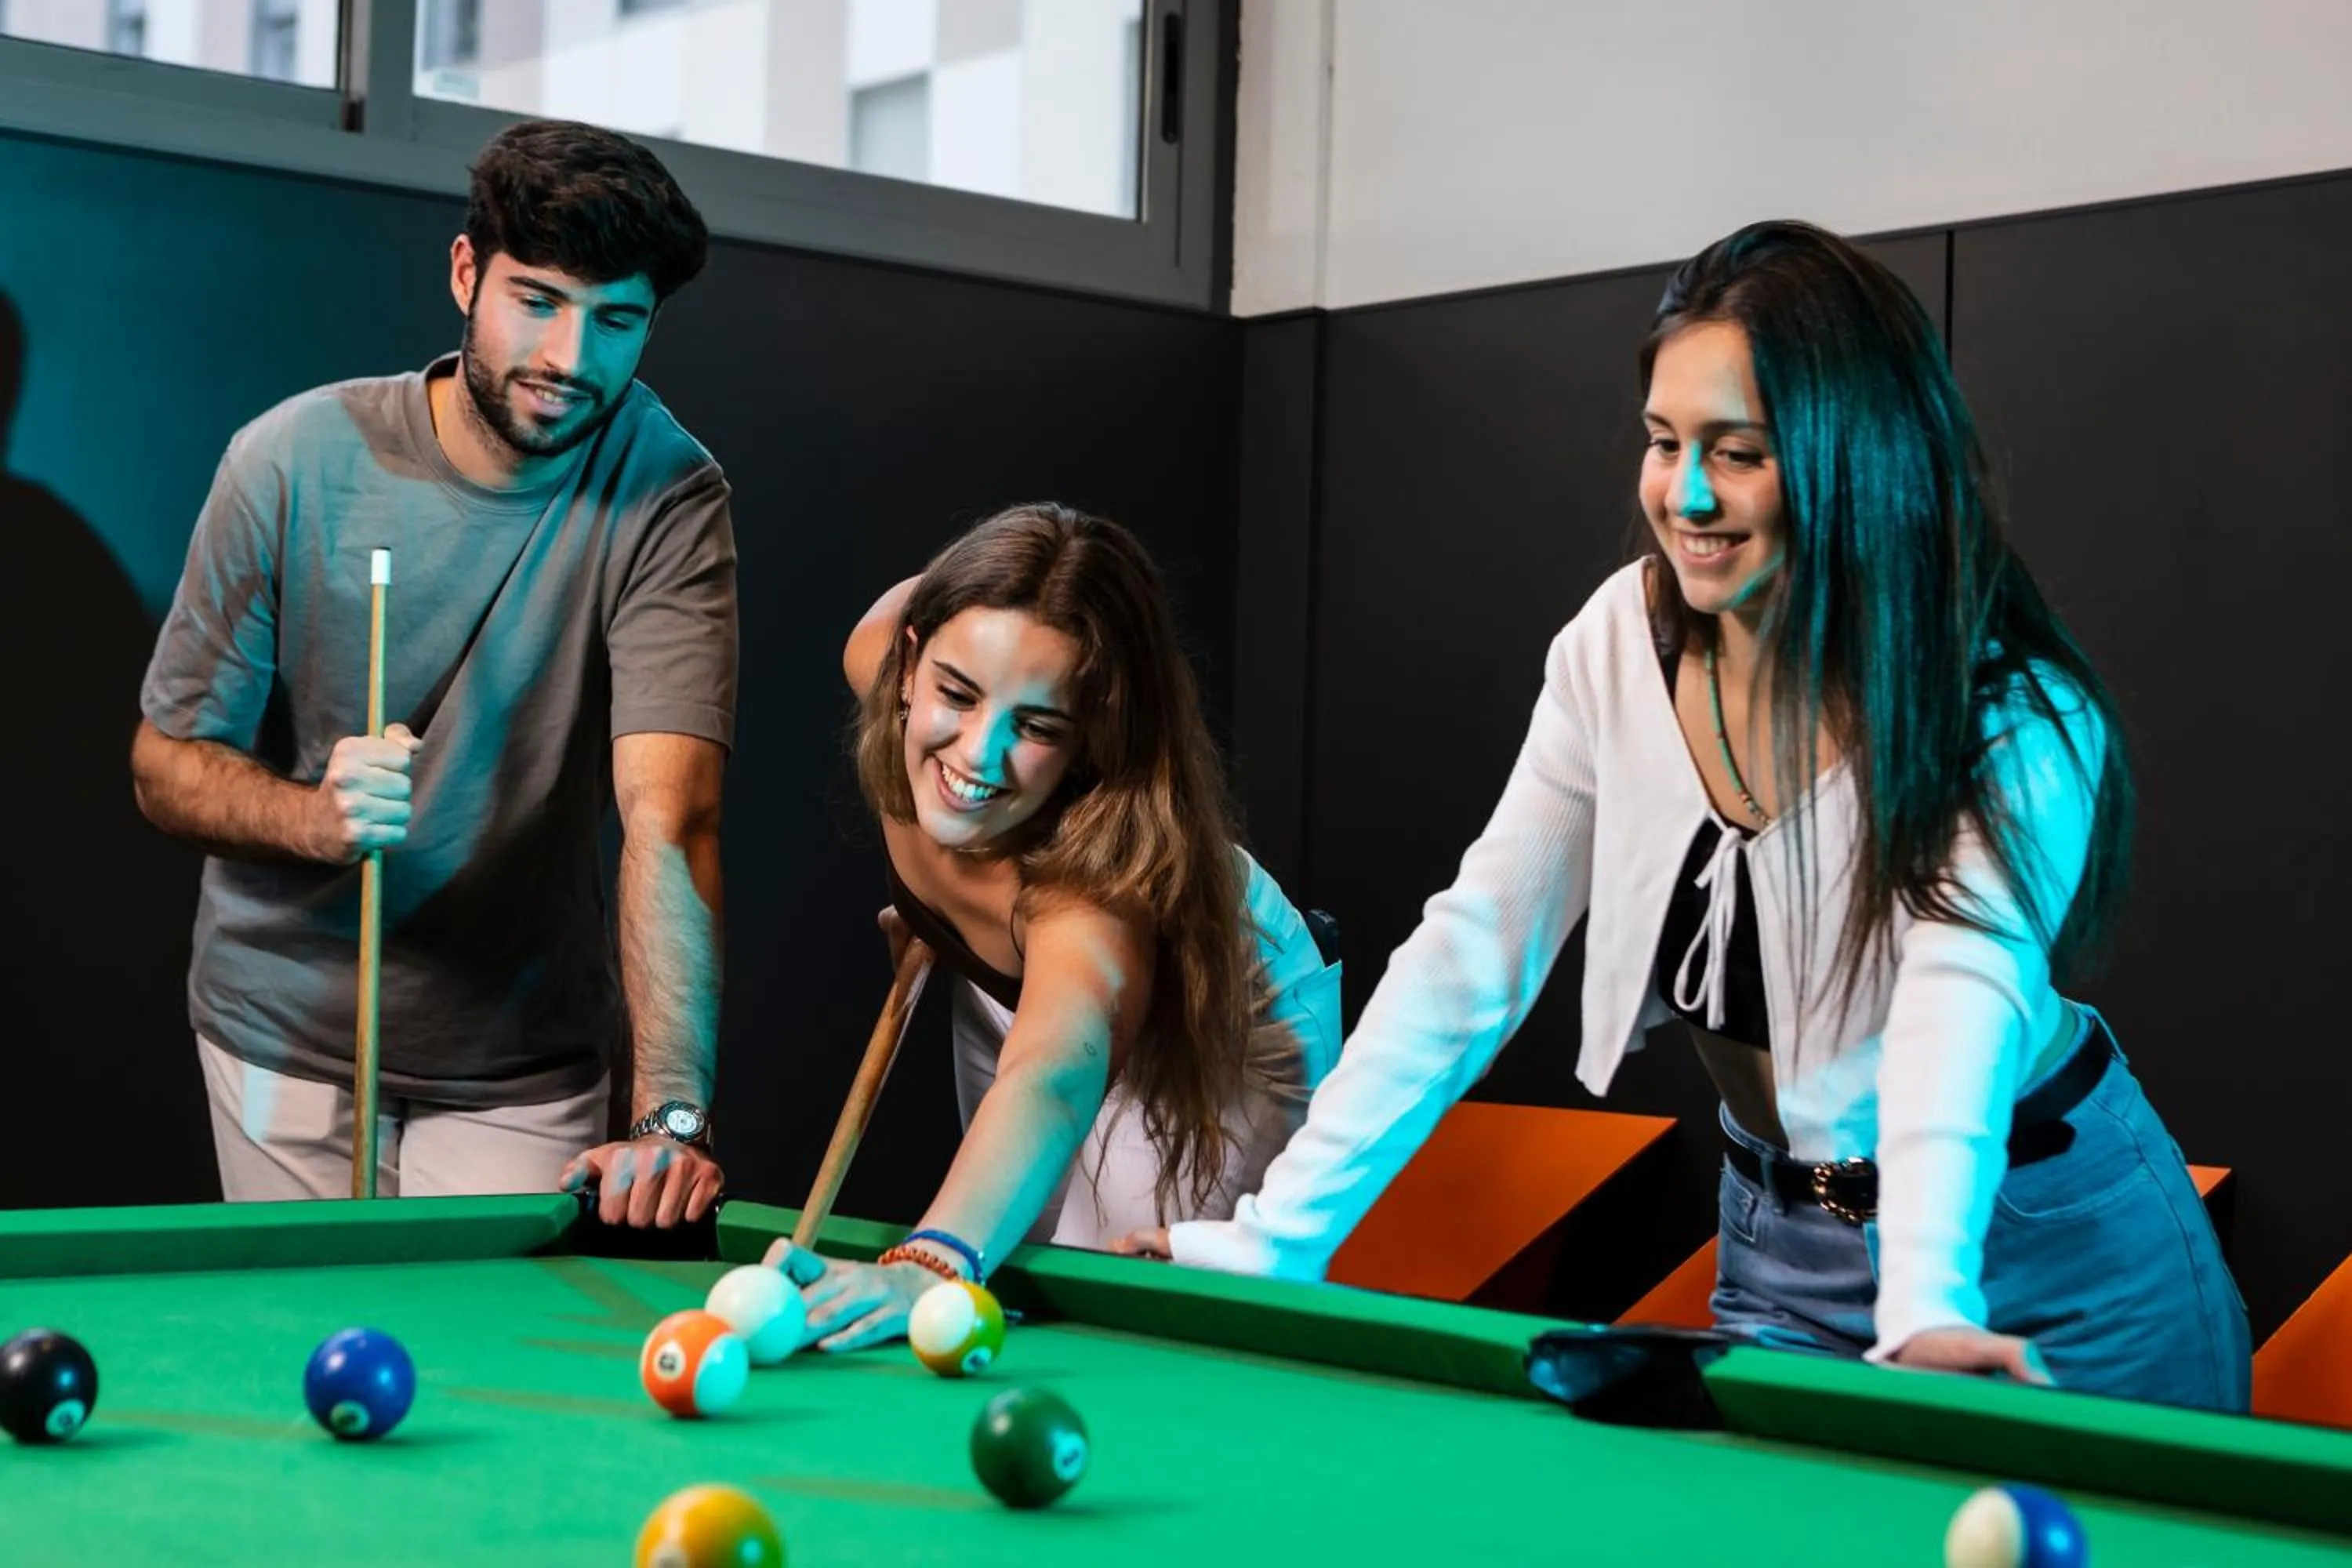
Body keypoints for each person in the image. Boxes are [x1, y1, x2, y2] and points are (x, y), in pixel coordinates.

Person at [1116, 221, 2250, 1410]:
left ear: (1851, 454)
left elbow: (1954, 1004)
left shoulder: (2011, 713)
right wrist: (1278, 1237)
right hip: (1786, 1242)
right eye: (1664, 443)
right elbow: (1476, 951)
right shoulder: (1622, 639)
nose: (1687, 493)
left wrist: (1925, 1301)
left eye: (1738, 451)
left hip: (2052, 1249)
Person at [132, 119, 736, 1228]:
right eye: (538, 301)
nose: (570, 359)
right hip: (282, 1025)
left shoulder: (668, 492)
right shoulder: (292, 457)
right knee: (313, 1369)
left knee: (483, 1388)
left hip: (520, 1058)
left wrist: (670, 1118)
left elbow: (670, 815)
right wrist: (314, 819)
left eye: (617, 322)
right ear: (467, 272)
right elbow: (165, 767)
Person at [768, 504, 1341, 1350]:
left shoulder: (1096, 885)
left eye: (1037, 726)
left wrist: (928, 1260)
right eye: (957, 693)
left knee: (1130, 1299)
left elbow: (1052, 1072)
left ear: (1090, 740)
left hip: (1220, 1016)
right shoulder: (884, 649)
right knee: (1015, 1263)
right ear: (910, 662)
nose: (977, 755)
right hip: (1013, 972)